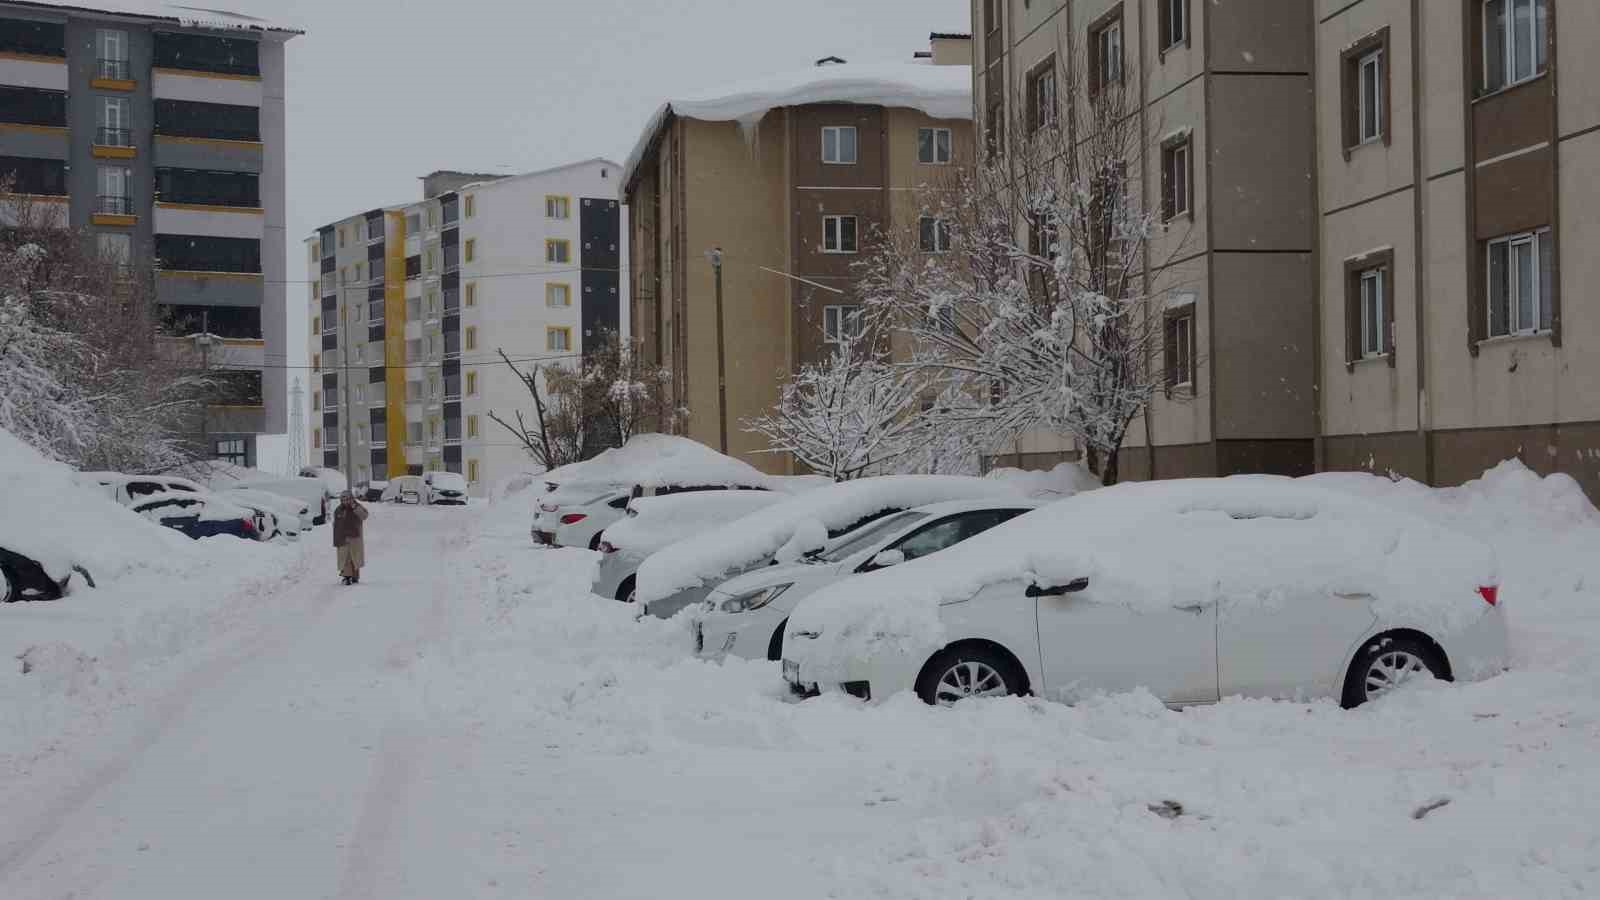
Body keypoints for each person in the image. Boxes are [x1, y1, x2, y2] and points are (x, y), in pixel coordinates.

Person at [333, 490, 369, 585]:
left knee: (354, 557)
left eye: (347, 499)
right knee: (345, 557)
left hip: (355, 537)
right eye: (343, 500)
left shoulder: (357, 507)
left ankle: (355, 576)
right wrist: (336, 538)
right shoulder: (338, 510)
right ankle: (347, 577)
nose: (345, 502)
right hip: (342, 537)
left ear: (351, 499)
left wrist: (355, 507)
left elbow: (364, 516)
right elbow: (336, 525)